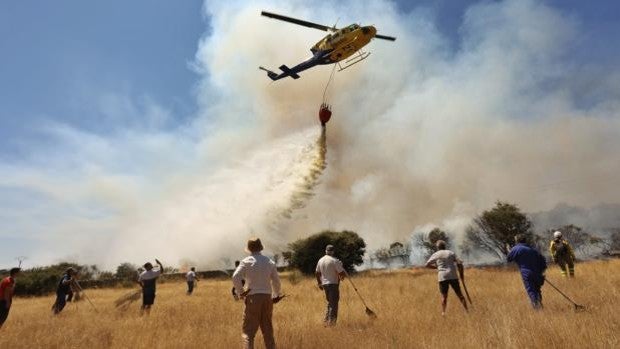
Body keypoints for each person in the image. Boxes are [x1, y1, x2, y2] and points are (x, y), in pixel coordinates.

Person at [232, 238, 281, 349]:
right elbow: (276, 281)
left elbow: (235, 277)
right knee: (268, 332)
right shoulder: (270, 262)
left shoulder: (246, 261)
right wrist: (275, 295)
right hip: (267, 298)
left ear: (249, 249)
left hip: (252, 298)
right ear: (261, 247)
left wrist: (241, 293)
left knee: (248, 334)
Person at [425, 240, 468, 316]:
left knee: (444, 296)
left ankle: (443, 312)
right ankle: (467, 311)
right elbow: (459, 262)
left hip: (442, 276)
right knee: (460, 295)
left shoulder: (436, 254)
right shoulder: (451, 253)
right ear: (445, 246)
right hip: (453, 275)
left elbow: (427, 265)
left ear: (437, 247)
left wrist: (436, 267)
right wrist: (461, 275)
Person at [507, 234, 547, 309]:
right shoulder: (533, 249)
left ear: (517, 241)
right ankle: (540, 305)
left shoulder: (516, 248)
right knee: (537, 290)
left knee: (531, 290)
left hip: (526, 273)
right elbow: (543, 262)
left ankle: (537, 308)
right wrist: (541, 273)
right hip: (537, 273)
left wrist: (509, 250)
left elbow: (509, 258)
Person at [315, 244, 346, 326]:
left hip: (325, 284)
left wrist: (319, 283)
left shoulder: (320, 260)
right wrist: (341, 265)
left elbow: (317, 273)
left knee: (330, 303)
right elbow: (342, 273)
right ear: (333, 252)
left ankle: (326, 321)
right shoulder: (334, 261)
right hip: (333, 284)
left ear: (326, 251)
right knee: (334, 304)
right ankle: (331, 324)